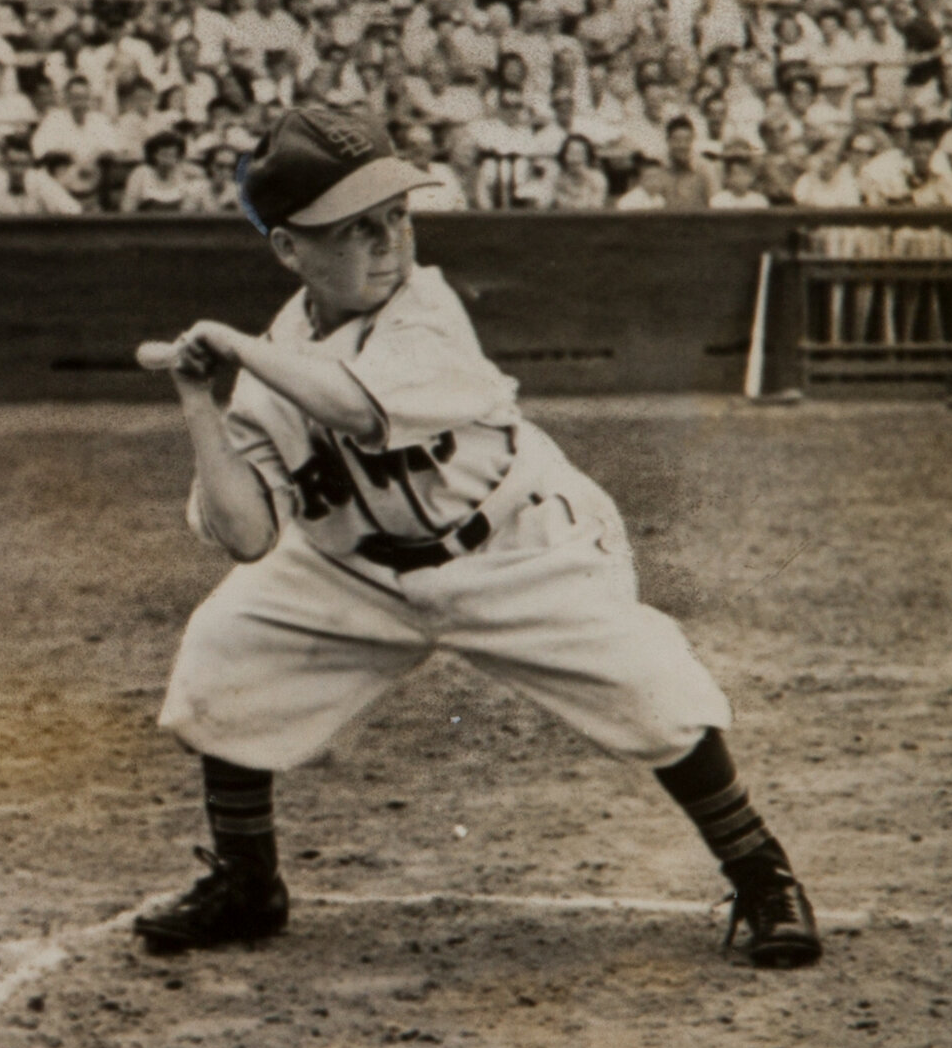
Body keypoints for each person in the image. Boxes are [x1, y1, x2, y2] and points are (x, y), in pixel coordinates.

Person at [126, 105, 820, 972]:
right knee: (222, 651)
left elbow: (357, 408)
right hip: (354, 572)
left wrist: (236, 349)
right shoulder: (269, 370)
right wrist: (202, 403)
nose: (389, 242)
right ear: (289, 250)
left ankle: (762, 873)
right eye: (355, 229)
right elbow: (247, 536)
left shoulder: (426, 308)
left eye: (396, 217)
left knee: (655, 691)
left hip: (514, 546)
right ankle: (246, 882)